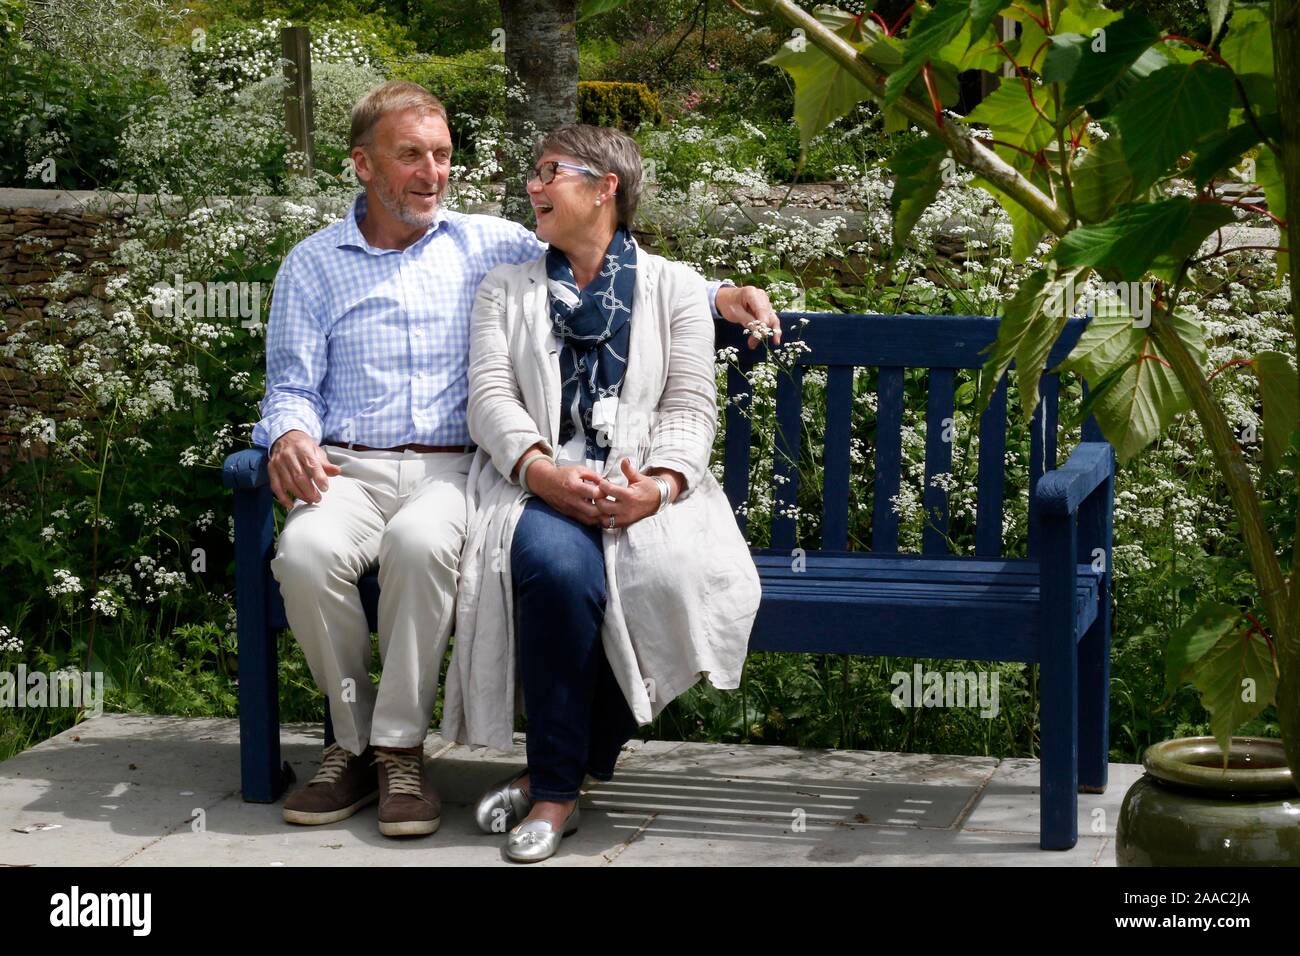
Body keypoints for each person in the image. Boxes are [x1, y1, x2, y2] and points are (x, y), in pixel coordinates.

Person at [251, 81, 779, 839]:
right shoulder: (313, 265)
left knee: (423, 545)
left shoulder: (484, 240)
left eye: (442, 155)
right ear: (362, 166)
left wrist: (720, 294)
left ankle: (400, 748)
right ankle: (352, 743)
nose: (433, 173)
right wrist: (290, 434)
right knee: (301, 552)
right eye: (411, 157)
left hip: (447, 473)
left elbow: (612, 257)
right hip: (349, 469)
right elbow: (292, 384)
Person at [442, 123, 762, 862]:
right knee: (561, 571)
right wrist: (542, 471)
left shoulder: (675, 288)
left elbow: (689, 406)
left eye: (548, 171)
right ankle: (556, 794)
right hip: (538, 488)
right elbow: (490, 398)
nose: (533, 186)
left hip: (643, 489)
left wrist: (660, 485)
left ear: (604, 187)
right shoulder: (506, 289)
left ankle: (566, 767)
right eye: (533, 173)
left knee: (667, 575)